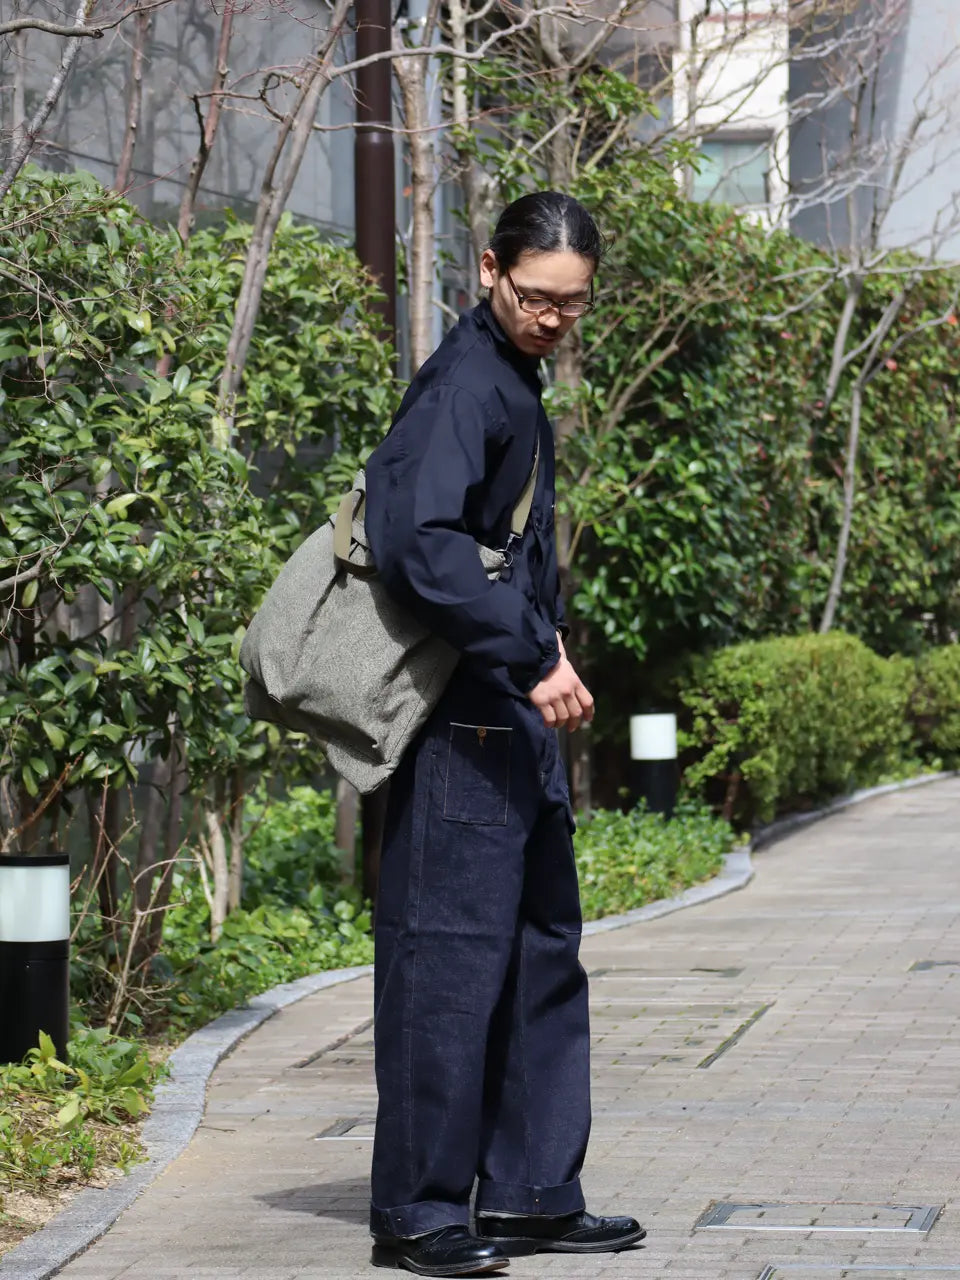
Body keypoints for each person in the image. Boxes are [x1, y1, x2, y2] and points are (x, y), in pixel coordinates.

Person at [363, 191, 645, 1277]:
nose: (554, 320)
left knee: (539, 956)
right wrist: (534, 656)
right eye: (536, 297)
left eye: (572, 305)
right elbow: (420, 546)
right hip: (460, 727)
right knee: (444, 966)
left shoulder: (514, 381)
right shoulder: (464, 386)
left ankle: (529, 1190)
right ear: (491, 269)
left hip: (509, 722)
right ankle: (422, 1213)